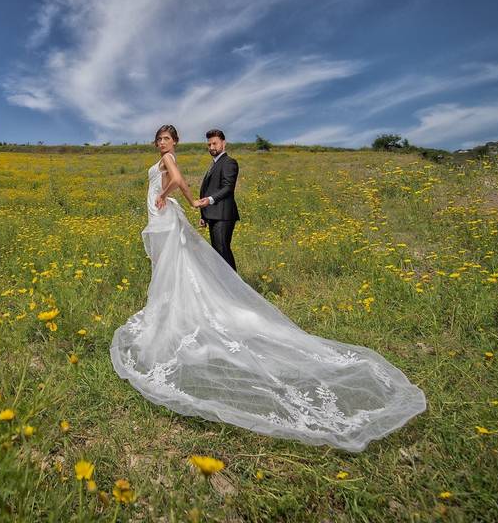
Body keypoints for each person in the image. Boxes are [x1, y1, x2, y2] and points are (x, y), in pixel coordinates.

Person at [110, 124, 426, 452]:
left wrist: (173, 198)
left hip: (180, 213)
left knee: (202, 261)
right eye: (159, 139)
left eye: (167, 138)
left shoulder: (196, 160)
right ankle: (190, 300)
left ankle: (218, 297)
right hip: (172, 215)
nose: (162, 143)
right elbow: (182, 184)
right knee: (175, 266)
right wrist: (193, 204)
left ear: (175, 141)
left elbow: (180, 181)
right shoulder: (178, 159)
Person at [193, 129, 239, 271]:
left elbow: (228, 187)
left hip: (223, 215)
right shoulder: (214, 164)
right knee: (218, 253)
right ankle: (226, 286)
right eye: (209, 145)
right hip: (214, 215)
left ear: (223, 144)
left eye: (215, 143)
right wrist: (204, 215)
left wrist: (210, 200)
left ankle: (234, 288)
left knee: (222, 251)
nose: (212, 147)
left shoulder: (229, 162)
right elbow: (209, 190)